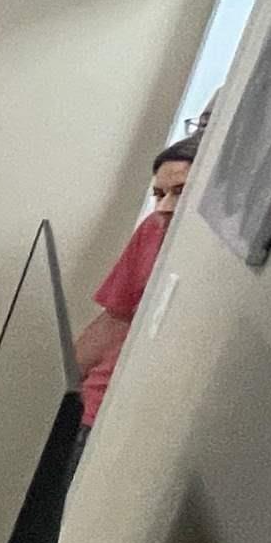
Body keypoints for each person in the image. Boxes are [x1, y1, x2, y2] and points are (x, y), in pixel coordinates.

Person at [74, 140, 193, 424]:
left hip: (145, 414)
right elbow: (116, 316)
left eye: (180, 192)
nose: (164, 207)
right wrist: (63, 388)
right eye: (158, 194)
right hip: (95, 403)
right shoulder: (152, 228)